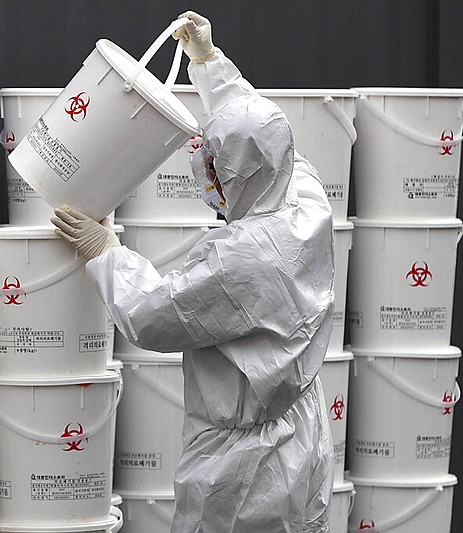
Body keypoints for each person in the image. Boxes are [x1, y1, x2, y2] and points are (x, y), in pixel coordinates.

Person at [51, 10, 335, 533]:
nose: (212, 182)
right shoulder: (304, 196)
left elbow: (152, 314)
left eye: (217, 171)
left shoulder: (239, 261)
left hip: (243, 468)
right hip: (302, 435)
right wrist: (207, 61)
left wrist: (106, 250)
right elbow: (254, 130)